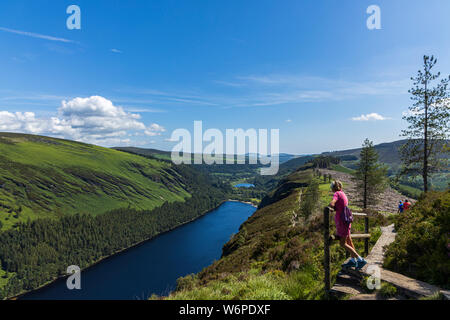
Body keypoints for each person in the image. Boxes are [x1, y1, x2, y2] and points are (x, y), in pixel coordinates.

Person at [329, 180, 367, 270]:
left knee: (342, 243)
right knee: (349, 240)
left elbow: (333, 202)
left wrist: (331, 206)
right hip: (346, 220)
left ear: (333, 188)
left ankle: (360, 259)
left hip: (342, 222)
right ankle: (353, 260)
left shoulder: (337, 194)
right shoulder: (343, 193)